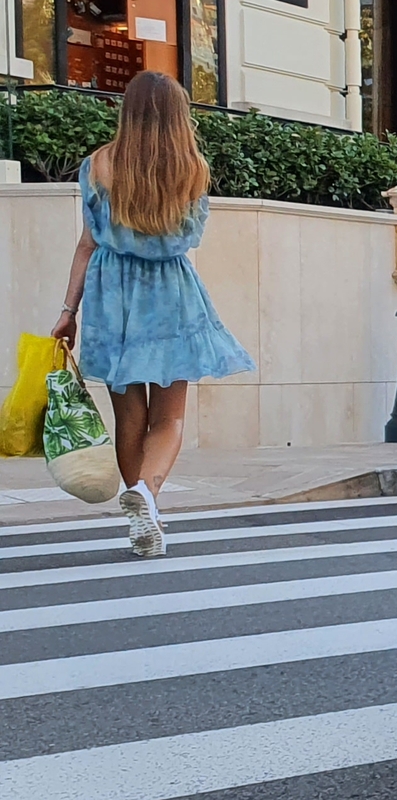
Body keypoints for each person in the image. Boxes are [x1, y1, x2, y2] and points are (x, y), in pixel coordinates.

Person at [50, 71, 254, 557]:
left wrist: (67, 310)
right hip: (170, 295)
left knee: (130, 416)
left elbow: (86, 243)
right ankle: (147, 496)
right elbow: (190, 236)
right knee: (170, 417)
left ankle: (143, 511)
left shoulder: (97, 164)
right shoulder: (191, 170)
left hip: (111, 295)